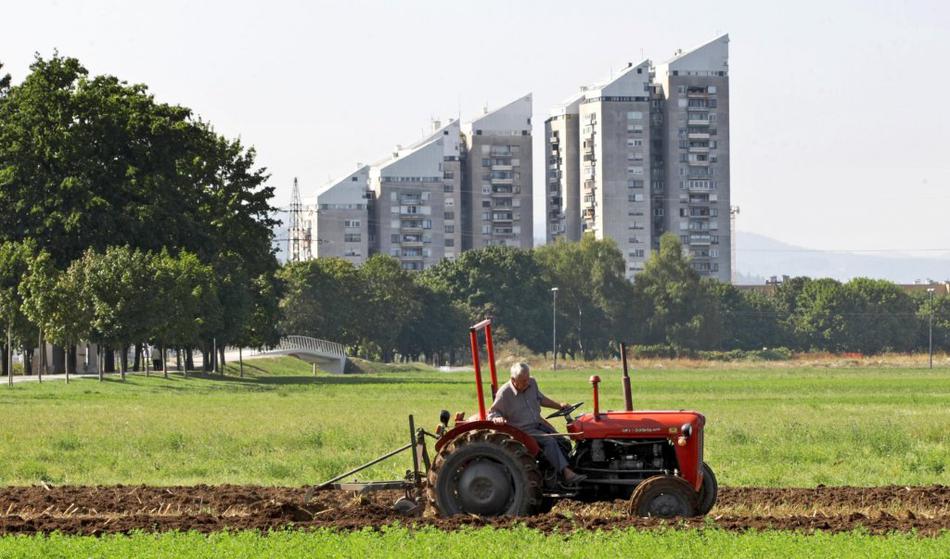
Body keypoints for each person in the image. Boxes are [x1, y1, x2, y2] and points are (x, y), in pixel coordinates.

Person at [487, 362, 587, 484]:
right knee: (550, 441)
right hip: (523, 430)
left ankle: (562, 470)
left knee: (563, 441)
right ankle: (567, 474)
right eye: (523, 381)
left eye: (528, 378)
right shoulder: (504, 393)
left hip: (538, 424)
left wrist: (559, 406)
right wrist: (497, 418)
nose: (527, 383)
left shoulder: (532, 383)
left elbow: (541, 399)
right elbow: (492, 413)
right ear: (513, 380)